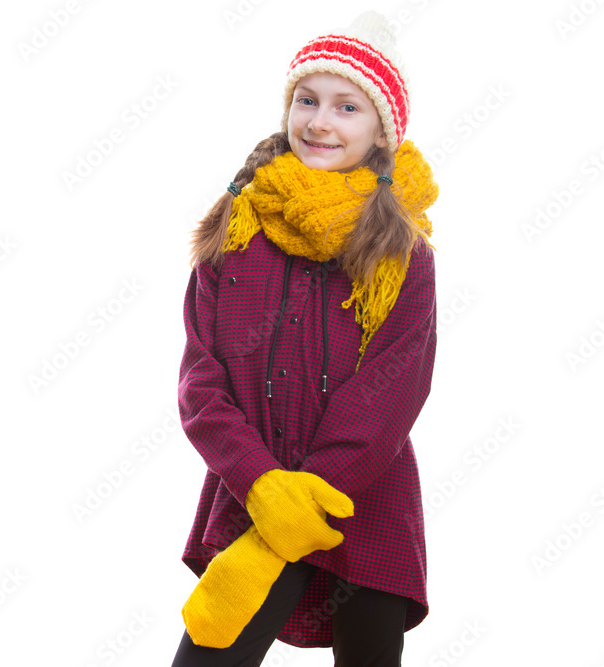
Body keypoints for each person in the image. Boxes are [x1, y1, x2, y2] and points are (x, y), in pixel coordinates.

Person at [171, 10, 441, 667]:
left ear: (382, 131)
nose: (320, 122)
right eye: (307, 100)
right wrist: (265, 487)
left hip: (362, 503)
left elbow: (390, 393)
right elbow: (201, 383)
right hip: (252, 500)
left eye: (348, 106)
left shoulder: (403, 252)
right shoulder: (236, 227)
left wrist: (309, 494)